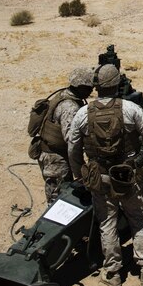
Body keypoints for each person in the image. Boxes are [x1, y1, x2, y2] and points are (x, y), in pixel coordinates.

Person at [67, 63, 143, 286]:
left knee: (107, 223)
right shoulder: (129, 109)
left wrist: (81, 171)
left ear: (96, 87)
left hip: (100, 179)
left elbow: (73, 146)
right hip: (129, 177)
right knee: (139, 219)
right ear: (118, 84)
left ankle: (113, 273)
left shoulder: (83, 114)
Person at [28, 67, 94, 202]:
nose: (91, 91)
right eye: (87, 88)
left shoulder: (62, 95)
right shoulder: (70, 107)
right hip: (56, 159)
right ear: (79, 86)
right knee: (57, 197)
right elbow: (72, 141)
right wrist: (80, 169)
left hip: (50, 154)